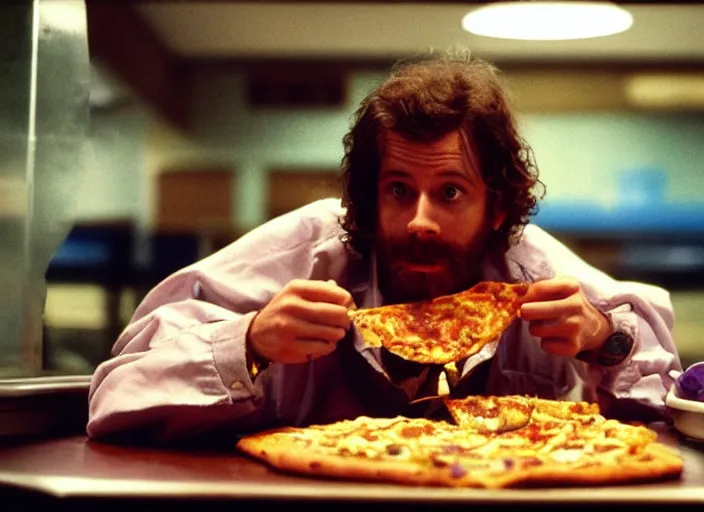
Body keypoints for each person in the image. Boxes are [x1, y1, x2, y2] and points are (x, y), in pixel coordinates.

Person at [87, 50, 682, 445]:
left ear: (496, 207)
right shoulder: (304, 253)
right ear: (369, 198)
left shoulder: (535, 274)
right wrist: (247, 342)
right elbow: (115, 395)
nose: (420, 220)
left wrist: (608, 340)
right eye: (399, 189)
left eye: (450, 192)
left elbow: (671, 400)